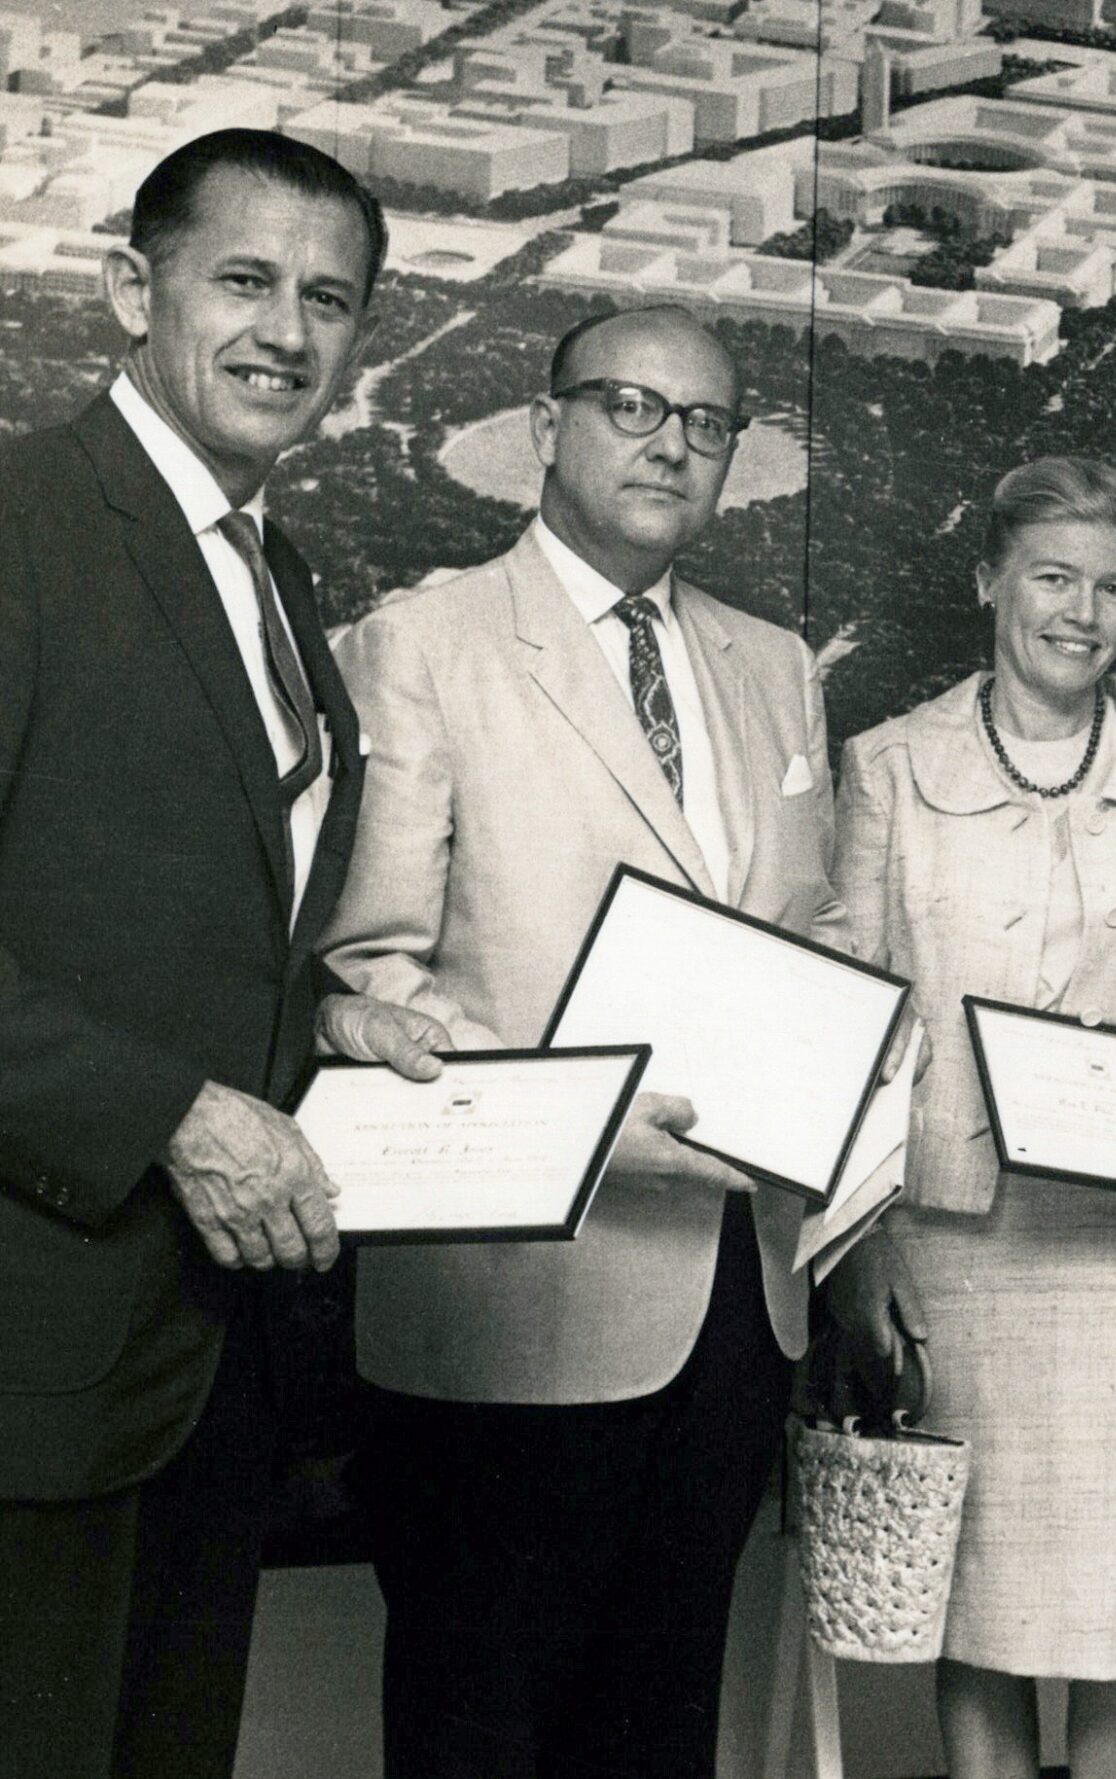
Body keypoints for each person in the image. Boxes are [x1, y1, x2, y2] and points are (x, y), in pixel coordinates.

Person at [322, 305, 846, 1779]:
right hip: (514, 1299)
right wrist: (594, 1115)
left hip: (739, 1300)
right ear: (547, 427)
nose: (671, 444)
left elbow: (816, 932)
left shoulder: (774, 661)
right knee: (479, 1727)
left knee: (662, 1725)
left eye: (707, 423)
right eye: (632, 406)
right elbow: (373, 973)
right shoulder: (421, 643)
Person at [0, 130, 445, 1779]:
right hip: (38, 1338)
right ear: (133, 285)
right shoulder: (23, 520)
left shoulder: (276, 570)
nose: (288, 333)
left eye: (331, 300)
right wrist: (176, 1112)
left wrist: (329, 1015)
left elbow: (172, 905)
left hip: (206, 1359)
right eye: (244, 281)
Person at [830, 456, 1116, 1779]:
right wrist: (859, 1245)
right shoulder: (890, 768)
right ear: (989, 582)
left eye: (1113, 586)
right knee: (979, 1609)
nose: (1081, 613)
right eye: (1051, 578)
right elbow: (857, 1026)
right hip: (956, 1244)